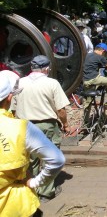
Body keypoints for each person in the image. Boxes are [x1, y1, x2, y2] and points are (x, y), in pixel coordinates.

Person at [0, 72, 65, 215]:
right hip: (14, 205)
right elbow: (57, 159)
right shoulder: (20, 127)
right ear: (9, 97)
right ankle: (46, 192)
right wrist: (35, 182)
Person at [10, 55, 69, 203]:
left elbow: (12, 109)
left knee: (30, 160)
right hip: (47, 125)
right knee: (49, 158)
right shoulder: (52, 83)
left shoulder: (20, 82)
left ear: (31, 68)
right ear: (46, 68)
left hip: (25, 126)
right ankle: (46, 192)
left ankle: (31, 189)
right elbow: (61, 110)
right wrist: (65, 124)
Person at [82, 43, 107, 110]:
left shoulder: (87, 55)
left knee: (88, 101)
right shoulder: (100, 57)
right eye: (105, 53)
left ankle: (86, 120)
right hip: (94, 79)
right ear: (103, 51)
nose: (105, 55)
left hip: (85, 81)